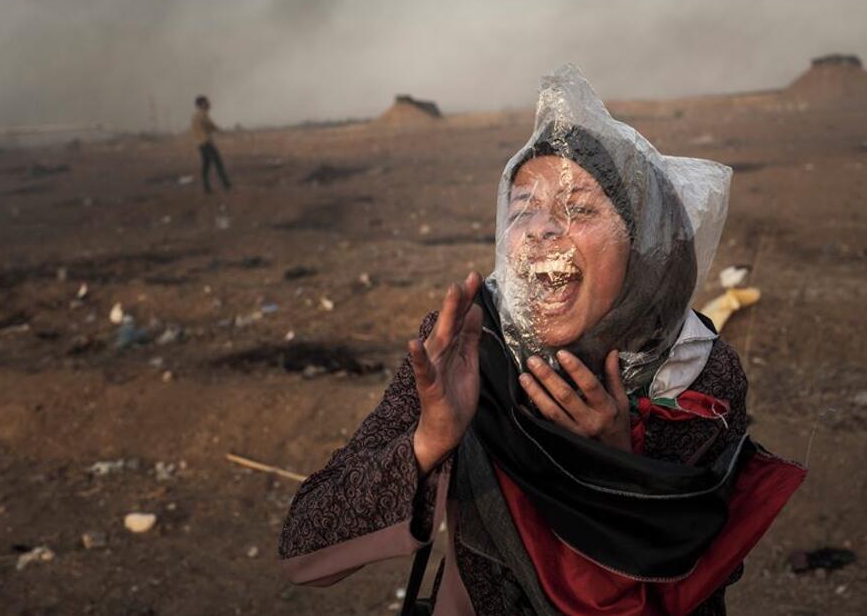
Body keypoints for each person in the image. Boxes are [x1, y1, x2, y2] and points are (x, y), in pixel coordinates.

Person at [278, 66, 805, 615]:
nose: (540, 229)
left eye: (576, 209)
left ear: (644, 245)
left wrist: (616, 467)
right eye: (522, 209)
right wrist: (429, 441)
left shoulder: (695, 372)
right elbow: (303, 551)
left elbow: (695, 578)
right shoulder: (469, 348)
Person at [191, 95, 231, 193]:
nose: (209, 104)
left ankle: (207, 187)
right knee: (218, 163)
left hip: (201, 143)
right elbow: (210, 126)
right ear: (201, 104)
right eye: (206, 102)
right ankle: (226, 184)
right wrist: (221, 131)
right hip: (206, 142)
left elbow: (209, 127)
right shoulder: (202, 115)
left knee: (206, 165)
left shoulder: (198, 115)